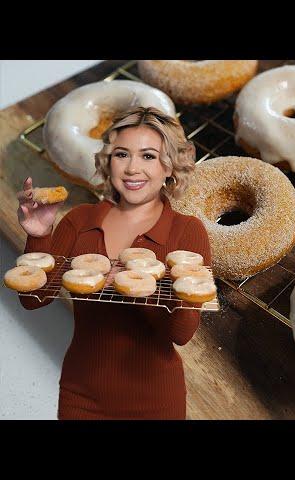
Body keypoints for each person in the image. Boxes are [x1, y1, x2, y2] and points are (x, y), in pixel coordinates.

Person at [16, 106, 212, 420]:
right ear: (109, 161)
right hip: (81, 394)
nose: (133, 168)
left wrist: (133, 285)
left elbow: (182, 332)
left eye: (148, 156)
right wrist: (39, 235)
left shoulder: (186, 231)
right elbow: (33, 299)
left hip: (156, 399)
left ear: (170, 166)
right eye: (122, 154)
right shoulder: (80, 220)